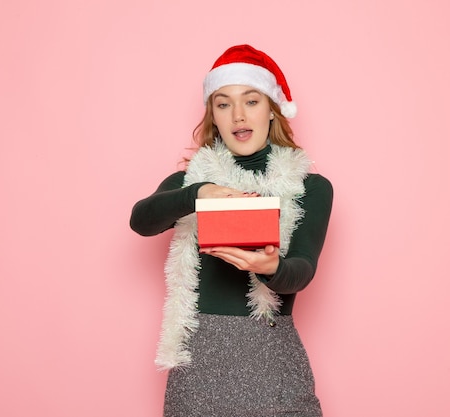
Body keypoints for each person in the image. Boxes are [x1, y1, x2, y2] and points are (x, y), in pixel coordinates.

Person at [130, 44, 333, 417]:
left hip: (275, 368)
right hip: (198, 370)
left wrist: (270, 266)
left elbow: (301, 270)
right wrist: (198, 194)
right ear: (214, 115)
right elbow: (141, 220)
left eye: (251, 101)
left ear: (272, 110)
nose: (238, 114)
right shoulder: (189, 181)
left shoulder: (312, 188)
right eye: (223, 104)